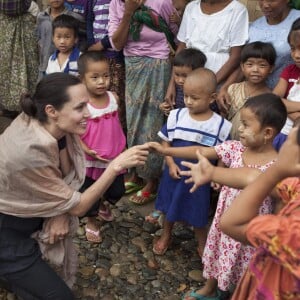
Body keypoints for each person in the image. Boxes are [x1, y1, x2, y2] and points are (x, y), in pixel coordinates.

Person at [0, 72, 148, 300]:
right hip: (8, 234)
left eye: (87, 105)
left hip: (25, 220)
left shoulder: (46, 122)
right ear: (52, 111)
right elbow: (78, 207)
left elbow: (62, 183)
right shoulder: (31, 151)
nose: (88, 114)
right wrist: (115, 166)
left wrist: (58, 211)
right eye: (80, 108)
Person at [149, 93, 287, 299]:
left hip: (249, 230)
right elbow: (201, 151)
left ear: (267, 132)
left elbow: (279, 202)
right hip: (224, 220)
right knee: (219, 253)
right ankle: (211, 288)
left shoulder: (277, 168)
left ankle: (238, 293)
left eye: (246, 125)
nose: (239, 128)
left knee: (248, 267)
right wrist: (167, 151)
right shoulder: (235, 148)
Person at [151, 68, 232, 257]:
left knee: (198, 211)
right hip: (174, 173)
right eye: (186, 96)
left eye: (194, 98)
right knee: (169, 206)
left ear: (212, 98)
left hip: (200, 178)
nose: (188, 101)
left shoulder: (220, 125)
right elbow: (166, 142)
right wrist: (170, 163)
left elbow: (222, 154)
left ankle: (203, 244)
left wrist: (218, 175)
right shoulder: (177, 115)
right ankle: (166, 235)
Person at [108, 0, 178, 205]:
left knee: (152, 123)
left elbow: (175, 36)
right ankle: (136, 173)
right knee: (134, 122)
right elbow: (117, 43)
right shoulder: (117, 4)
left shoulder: (161, 2)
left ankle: (152, 180)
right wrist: (128, 13)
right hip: (132, 65)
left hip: (158, 65)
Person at [219, 127, 300, 300]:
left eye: (290, 140)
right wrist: (211, 173)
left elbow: (230, 224)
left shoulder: (290, 233)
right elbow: (252, 177)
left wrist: (277, 170)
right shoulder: (296, 188)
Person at [77, 51, 126, 243]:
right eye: (95, 77)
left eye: (105, 76)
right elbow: (73, 131)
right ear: (82, 79)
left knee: (117, 191)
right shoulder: (82, 105)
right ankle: (92, 222)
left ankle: (104, 203)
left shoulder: (114, 97)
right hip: (91, 160)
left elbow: (115, 123)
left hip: (114, 156)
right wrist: (84, 148)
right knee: (89, 192)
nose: (101, 82)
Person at [218, 0, 300, 113]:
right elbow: (246, 63)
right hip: (262, 99)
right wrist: (225, 87)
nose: (265, 4)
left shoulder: (297, 21)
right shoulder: (254, 27)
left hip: (290, 96)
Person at [165, 0, 249, 107]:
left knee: (208, 120)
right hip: (185, 84)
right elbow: (181, 47)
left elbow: (236, 56)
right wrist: (172, 84)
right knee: (182, 118)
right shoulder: (192, 7)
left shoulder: (237, 10)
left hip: (216, 83)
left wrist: (209, 86)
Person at [86, 0, 126, 132]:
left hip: (114, 57)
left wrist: (101, 45)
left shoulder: (117, 2)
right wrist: (92, 45)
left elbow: (119, 28)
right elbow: (89, 21)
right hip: (97, 56)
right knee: (98, 94)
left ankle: (117, 131)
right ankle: (99, 130)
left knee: (116, 97)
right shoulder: (93, 1)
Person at [226, 41, 275, 140]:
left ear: (271, 68)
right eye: (250, 64)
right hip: (227, 145)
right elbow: (223, 117)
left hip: (251, 147)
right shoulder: (233, 89)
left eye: (262, 65)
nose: (255, 69)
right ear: (242, 66)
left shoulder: (270, 97)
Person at [0, 0, 39, 114]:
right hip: (25, 30)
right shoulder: (29, 5)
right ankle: (28, 104)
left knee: (5, 69)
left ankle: (7, 106)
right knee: (27, 67)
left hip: (7, 33)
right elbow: (35, 12)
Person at [37, 0, 84, 80]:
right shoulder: (41, 17)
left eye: (66, 37)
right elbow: (38, 37)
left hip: (71, 63)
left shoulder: (76, 18)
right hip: (46, 65)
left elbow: (84, 39)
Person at [273, 18, 300, 150]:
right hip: (283, 135)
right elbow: (274, 100)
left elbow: (281, 103)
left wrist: (287, 107)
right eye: (293, 48)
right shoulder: (289, 71)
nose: (296, 55)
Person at [159, 48, 207, 116]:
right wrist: (166, 108)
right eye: (177, 74)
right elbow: (174, 111)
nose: (180, 80)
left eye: (185, 76)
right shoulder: (176, 90)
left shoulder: (203, 94)